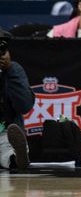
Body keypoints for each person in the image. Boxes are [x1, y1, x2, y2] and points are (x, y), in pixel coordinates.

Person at [0, 29, 34, 171]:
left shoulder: (14, 70)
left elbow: (24, 106)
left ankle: (17, 159)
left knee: (6, 148)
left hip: (4, 131)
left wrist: (9, 71)